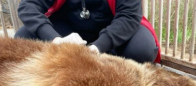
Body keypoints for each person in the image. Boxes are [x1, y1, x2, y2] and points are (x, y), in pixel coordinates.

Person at [15, 0, 161, 63]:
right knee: (23, 38)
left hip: (114, 29)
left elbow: (129, 15)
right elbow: (28, 6)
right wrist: (55, 39)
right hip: (67, 31)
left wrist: (99, 46)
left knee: (142, 48)